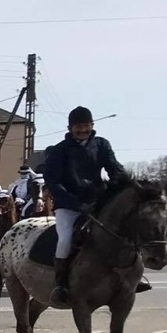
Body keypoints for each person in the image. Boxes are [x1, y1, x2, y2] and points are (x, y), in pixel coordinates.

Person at [40, 106, 130, 306]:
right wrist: (76, 203)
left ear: (92, 125)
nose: (82, 130)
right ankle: (61, 283)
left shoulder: (101, 145)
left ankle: (130, 277)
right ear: (70, 128)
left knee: (124, 230)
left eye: (86, 126)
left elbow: (114, 168)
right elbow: (54, 182)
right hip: (68, 206)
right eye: (78, 127)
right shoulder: (59, 150)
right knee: (65, 239)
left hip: (97, 202)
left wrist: (122, 184)